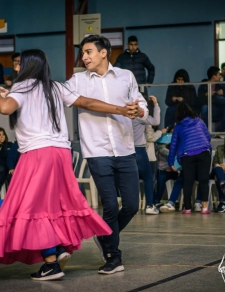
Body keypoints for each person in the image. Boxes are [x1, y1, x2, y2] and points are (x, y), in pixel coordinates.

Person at [0, 49, 140, 281]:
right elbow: (87, 102)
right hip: (61, 153)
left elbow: (5, 109)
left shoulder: (24, 86)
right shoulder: (55, 87)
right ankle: (59, 247)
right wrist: (120, 109)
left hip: (38, 154)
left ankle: (51, 263)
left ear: (28, 65)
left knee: (31, 208)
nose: (17, 68)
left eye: (20, 64)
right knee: (56, 205)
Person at [64, 35, 148, 275]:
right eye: (83, 53)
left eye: (89, 52)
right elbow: (60, 95)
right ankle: (113, 256)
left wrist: (138, 109)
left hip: (125, 149)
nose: (84, 57)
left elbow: (142, 105)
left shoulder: (126, 76)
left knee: (132, 205)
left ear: (104, 53)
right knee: (110, 205)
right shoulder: (78, 80)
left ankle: (104, 236)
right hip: (97, 151)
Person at [168, 103, 212, 214]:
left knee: (188, 182)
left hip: (187, 155)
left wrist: (170, 162)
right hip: (203, 152)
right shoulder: (199, 121)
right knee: (203, 181)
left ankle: (187, 208)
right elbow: (208, 136)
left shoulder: (178, 126)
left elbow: (173, 145)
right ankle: (205, 208)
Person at [133, 95, 160, 214]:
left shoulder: (124, 115)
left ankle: (130, 205)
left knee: (129, 179)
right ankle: (149, 205)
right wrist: (156, 105)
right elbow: (156, 121)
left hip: (126, 150)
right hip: (139, 149)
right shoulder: (141, 117)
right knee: (148, 178)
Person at [198, 66, 225, 132]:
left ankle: (219, 133)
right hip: (208, 108)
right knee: (204, 108)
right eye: (219, 74)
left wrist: (221, 94)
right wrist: (206, 95)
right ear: (214, 76)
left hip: (217, 109)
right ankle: (206, 132)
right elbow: (199, 101)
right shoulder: (203, 86)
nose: (220, 76)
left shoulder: (220, 86)